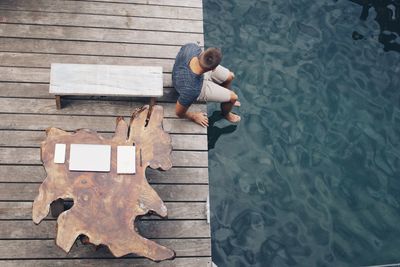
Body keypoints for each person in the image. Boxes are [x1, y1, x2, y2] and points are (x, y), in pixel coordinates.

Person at [172, 43, 240, 127]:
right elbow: (179, 113)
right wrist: (194, 116)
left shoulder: (192, 47)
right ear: (213, 69)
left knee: (230, 76)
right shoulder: (192, 90)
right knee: (233, 97)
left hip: (197, 71)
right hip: (191, 83)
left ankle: (226, 97)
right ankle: (226, 113)